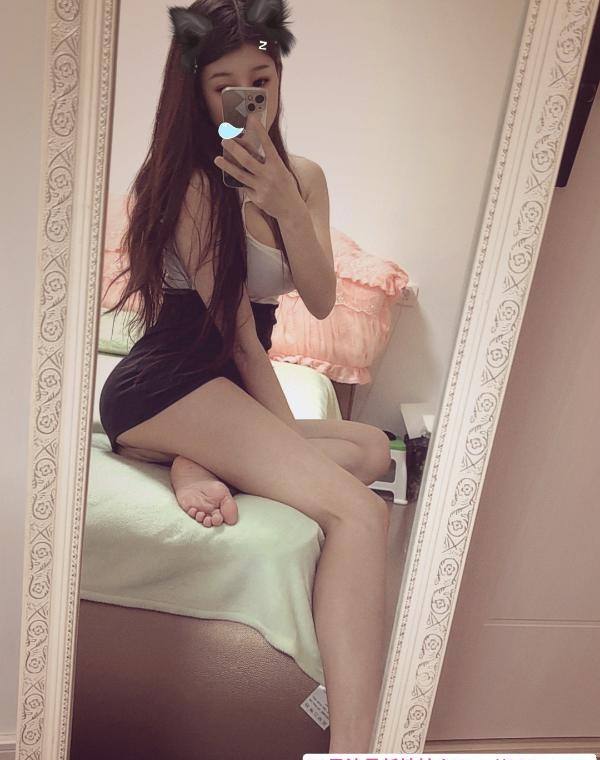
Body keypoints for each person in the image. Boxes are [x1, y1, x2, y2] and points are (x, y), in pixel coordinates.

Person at [100, 1, 392, 752]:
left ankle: (194, 458)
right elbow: (238, 340)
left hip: (222, 393)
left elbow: (320, 300)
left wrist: (288, 208)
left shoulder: (305, 179)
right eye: (224, 84)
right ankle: (356, 744)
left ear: (279, 76)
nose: (247, 98)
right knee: (362, 515)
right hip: (170, 381)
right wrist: (282, 444)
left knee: (370, 449)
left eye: (260, 79)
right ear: (197, 93)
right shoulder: (193, 184)